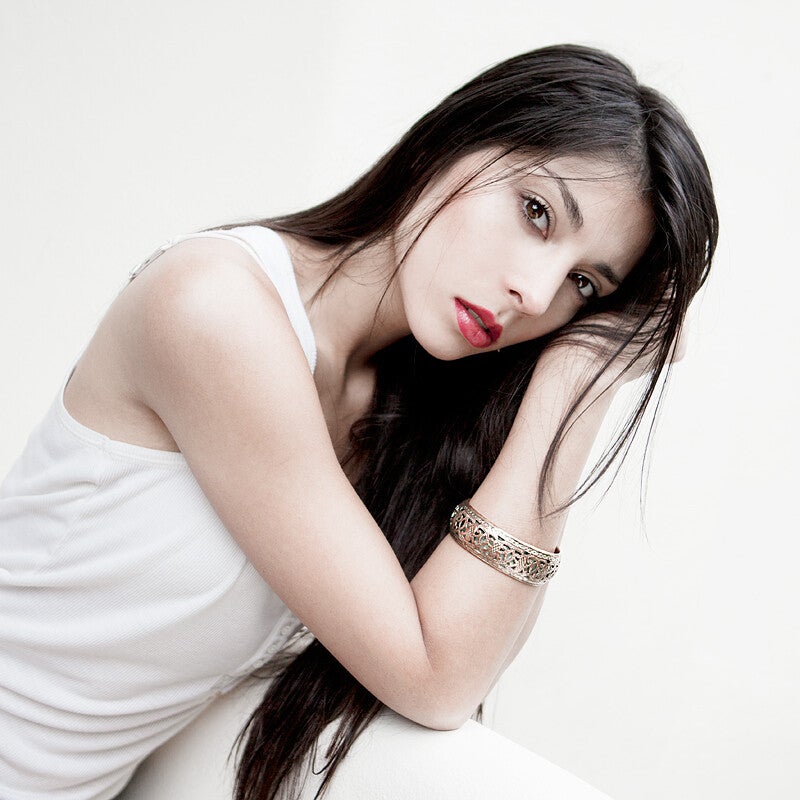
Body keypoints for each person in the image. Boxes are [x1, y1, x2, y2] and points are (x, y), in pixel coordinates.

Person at [0, 44, 717, 800]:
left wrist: (577, 385)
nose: (537, 297)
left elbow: (466, 663)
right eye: (536, 212)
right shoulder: (215, 307)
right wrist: (571, 381)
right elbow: (437, 678)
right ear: (451, 143)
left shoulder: (404, 410)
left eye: (584, 284)